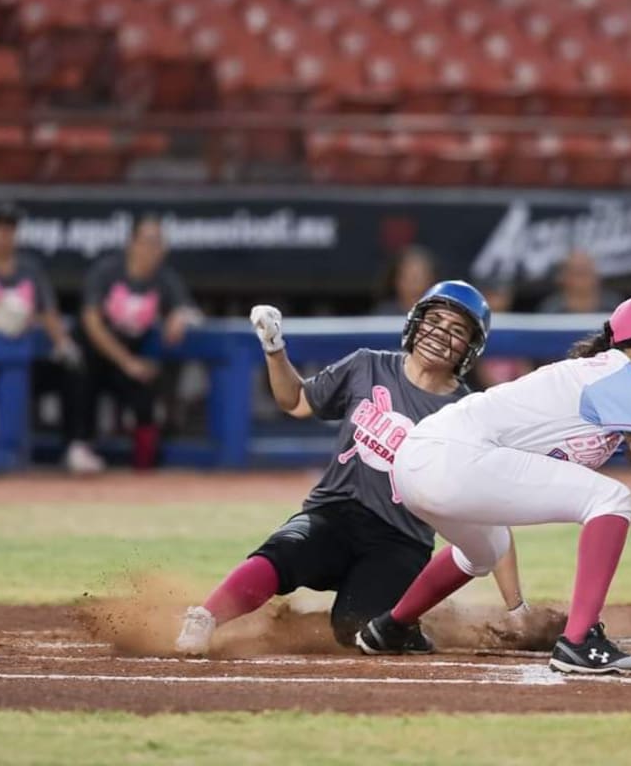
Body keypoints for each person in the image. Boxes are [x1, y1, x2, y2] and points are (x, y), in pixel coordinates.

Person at [355, 290, 631, 674]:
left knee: (486, 549)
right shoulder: (621, 382)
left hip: (421, 462)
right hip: (449, 457)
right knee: (609, 498)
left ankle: (390, 628)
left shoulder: (612, 381)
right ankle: (579, 642)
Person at [175, 280, 530, 655]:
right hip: (334, 512)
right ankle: (205, 617)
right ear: (416, 321)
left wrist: (517, 608)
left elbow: (492, 518)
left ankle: (404, 629)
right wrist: (274, 349)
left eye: (457, 330)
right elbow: (295, 401)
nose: (441, 335)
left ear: (470, 348)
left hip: (401, 540)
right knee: (283, 552)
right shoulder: (367, 365)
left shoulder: (467, 414)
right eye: (435, 320)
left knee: (355, 629)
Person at [0, 203, 95, 467]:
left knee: (74, 368)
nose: (5, 235)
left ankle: (75, 446)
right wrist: (23, 316)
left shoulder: (30, 268)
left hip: (28, 356)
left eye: (10, 229)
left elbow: (49, 312)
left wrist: (63, 343)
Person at [75, 214, 200, 470]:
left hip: (133, 357)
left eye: (159, 242)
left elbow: (187, 309)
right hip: (98, 355)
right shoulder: (107, 271)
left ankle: (144, 464)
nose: (153, 249)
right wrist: (126, 362)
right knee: (80, 373)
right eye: (147, 241)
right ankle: (79, 445)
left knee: (148, 384)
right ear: (131, 243)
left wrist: (180, 316)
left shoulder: (165, 278)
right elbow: (91, 322)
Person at [536, 250, 622, 314]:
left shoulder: (614, 307)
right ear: (563, 277)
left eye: (586, 271)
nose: (582, 278)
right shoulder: (550, 310)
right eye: (577, 272)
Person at [372, 246, 437, 316]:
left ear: (431, 280)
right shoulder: (383, 315)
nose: (413, 285)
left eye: (418, 278)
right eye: (408, 277)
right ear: (396, 281)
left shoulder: (442, 315)